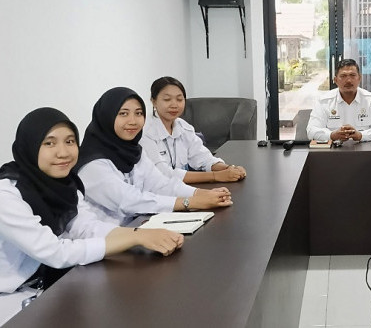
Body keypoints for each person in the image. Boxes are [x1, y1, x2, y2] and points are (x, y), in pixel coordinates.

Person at [0, 108, 183, 323]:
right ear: (30, 146)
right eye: (49, 143)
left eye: (70, 141)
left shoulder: (63, 185)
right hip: (11, 300)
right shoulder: (7, 196)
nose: (63, 152)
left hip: (51, 285)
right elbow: (54, 252)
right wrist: (134, 238)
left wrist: (140, 235)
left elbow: (86, 226)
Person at [76, 87, 232, 226]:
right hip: (106, 239)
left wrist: (201, 194)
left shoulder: (133, 151)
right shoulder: (92, 164)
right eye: (123, 114)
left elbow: (160, 184)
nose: (133, 121)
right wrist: (189, 202)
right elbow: (129, 201)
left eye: (138, 113)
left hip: (138, 226)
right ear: (106, 117)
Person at [140, 76, 247, 183]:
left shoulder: (183, 127)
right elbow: (163, 174)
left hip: (180, 188)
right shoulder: (144, 131)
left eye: (179, 99)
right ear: (154, 101)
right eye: (167, 99)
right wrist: (215, 176)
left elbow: (203, 158)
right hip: (154, 190)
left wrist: (230, 168)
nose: (174, 105)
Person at [306, 58, 371, 142]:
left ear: (359, 78)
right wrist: (332, 135)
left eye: (352, 75)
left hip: (364, 148)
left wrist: (360, 135)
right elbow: (311, 131)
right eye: (343, 76)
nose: (348, 80)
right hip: (334, 148)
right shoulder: (324, 101)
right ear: (335, 80)